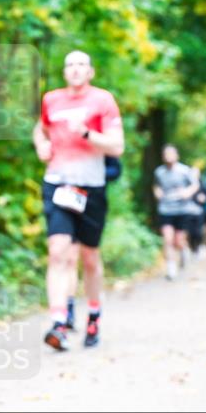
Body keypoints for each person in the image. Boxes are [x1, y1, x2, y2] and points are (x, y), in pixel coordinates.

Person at [32, 50, 123, 351]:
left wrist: (86, 133)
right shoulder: (51, 100)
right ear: (64, 72)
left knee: (89, 257)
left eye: (81, 64)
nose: (75, 69)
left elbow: (117, 146)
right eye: (70, 64)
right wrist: (42, 145)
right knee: (58, 252)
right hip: (58, 183)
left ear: (90, 72)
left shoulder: (102, 100)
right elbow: (40, 129)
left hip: (91, 186)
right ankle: (59, 322)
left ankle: (94, 315)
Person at [65, 155, 122, 331]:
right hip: (68, 198)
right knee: (69, 257)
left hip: (94, 199)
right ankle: (68, 311)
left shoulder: (99, 142)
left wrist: (92, 174)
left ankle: (94, 313)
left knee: (90, 259)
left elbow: (116, 170)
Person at [153, 145, 200, 281]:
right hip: (165, 209)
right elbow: (156, 185)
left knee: (179, 241)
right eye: (166, 154)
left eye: (171, 153)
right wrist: (157, 193)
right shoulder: (159, 172)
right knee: (168, 239)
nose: (168, 156)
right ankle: (171, 268)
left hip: (182, 209)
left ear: (177, 155)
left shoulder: (184, 170)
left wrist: (187, 192)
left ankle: (184, 251)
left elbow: (195, 184)